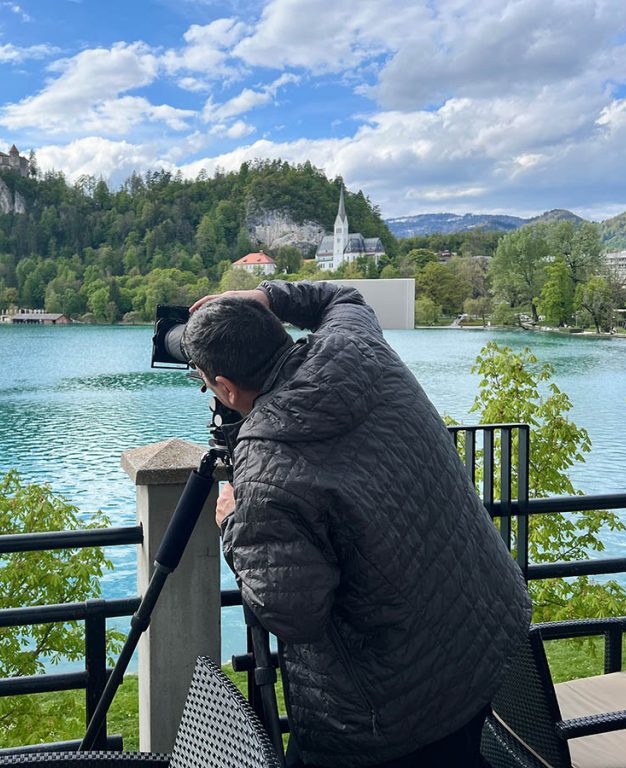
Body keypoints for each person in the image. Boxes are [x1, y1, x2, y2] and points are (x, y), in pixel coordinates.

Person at [181, 280, 531, 768]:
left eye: (205, 379)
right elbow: (342, 297)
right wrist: (268, 295)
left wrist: (234, 524)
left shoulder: (266, 462)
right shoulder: (353, 345)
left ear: (225, 388)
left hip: (393, 708)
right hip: (480, 633)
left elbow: (293, 613)